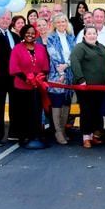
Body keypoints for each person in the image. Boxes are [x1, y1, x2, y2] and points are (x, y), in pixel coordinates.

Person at [8, 24, 50, 148]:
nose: (30, 35)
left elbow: (46, 66)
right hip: (21, 86)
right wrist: (27, 79)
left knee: (37, 111)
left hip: (37, 86)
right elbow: (14, 68)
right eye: (27, 32)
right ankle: (24, 137)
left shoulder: (41, 48)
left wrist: (39, 77)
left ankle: (36, 135)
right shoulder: (17, 48)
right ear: (23, 34)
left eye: (32, 33)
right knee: (23, 113)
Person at [70, 26, 105, 148]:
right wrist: (81, 79)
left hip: (100, 86)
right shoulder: (80, 47)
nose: (92, 35)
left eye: (94, 33)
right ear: (84, 36)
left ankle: (93, 136)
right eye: (89, 33)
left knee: (96, 111)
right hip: (85, 87)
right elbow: (74, 61)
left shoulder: (101, 47)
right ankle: (86, 137)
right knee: (87, 111)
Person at [0, 11, 21, 145]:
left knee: (15, 106)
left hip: (14, 77)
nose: (5, 20)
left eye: (8, 18)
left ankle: (14, 133)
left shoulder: (15, 36)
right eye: (3, 18)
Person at [46, 13, 76, 145]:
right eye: (58, 22)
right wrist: (61, 69)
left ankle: (63, 130)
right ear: (54, 24)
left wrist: (67, 65)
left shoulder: (71, 37)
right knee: (57, 103)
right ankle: (58, 131)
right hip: (56, 75)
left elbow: (74, 54)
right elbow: (54, 55)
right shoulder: (51, 38)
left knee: (66, 103)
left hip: (69, 74)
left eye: (63, 21)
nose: (61, 24)